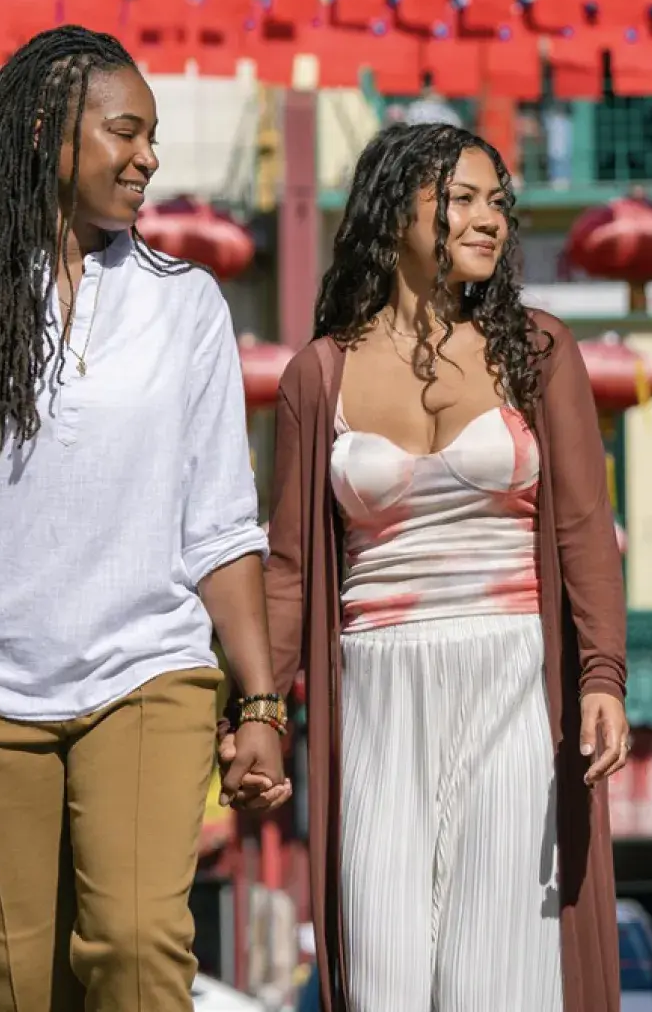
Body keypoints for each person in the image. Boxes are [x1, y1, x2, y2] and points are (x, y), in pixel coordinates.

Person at [0, 23, 290, 1012]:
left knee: (135, 945)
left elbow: (221, 524)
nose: (148, 158)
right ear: (47, 133)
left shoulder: (187, 307)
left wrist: (259, 702)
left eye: (153, 136)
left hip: (147, 671)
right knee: (20, 992)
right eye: (126, 132)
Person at [259, 122, 632, 1011]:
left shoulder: (539, 353)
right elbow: (290, 570)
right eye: (461, 199)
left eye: (497, 202)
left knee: (493, 982)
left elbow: (585, 529)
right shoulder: (318, 377)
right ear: (395, 214)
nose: (489, 219)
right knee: (382, 979)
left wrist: (602, 675)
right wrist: (260, 710)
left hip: (513, 681)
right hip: (375, 693)